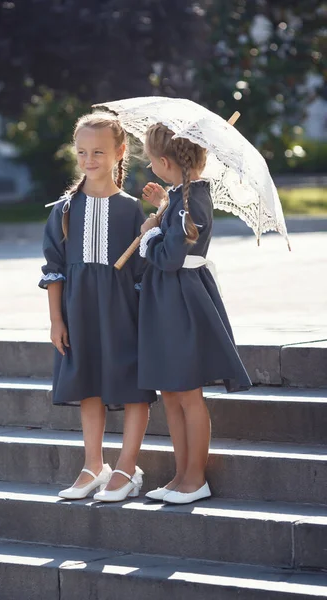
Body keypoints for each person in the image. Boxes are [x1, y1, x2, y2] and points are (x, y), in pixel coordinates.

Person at [39, 112, 156, 502]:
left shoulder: (132, 210)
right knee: (87, 382)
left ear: (120, 152)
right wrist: (56, 320)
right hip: (79, 311)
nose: (89, 159)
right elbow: (54, 269)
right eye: (83, 152)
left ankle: (126, 467)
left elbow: (143, 271)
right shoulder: (64, 209)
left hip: (124, 311)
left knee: (133, 386)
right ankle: (93, 465)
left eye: (99, 152)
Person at [138, 123, 251, 505]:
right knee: (171, 391)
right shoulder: (182, 197)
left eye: (152, 161)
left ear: (165, 161)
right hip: (168, 300)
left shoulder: (193, 202)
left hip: (182, 302)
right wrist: (162, 210)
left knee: (187, 392)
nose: (151, 167)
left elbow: (170, 257)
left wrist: (149, 232)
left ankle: (195, 478)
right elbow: (176, 232)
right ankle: (180, 474)